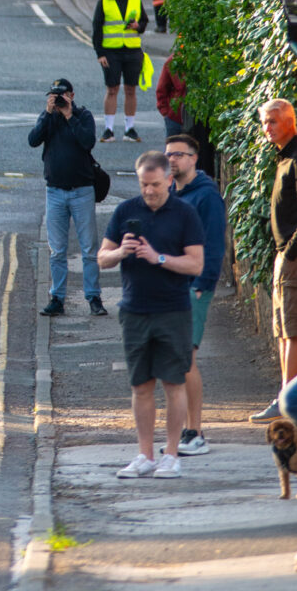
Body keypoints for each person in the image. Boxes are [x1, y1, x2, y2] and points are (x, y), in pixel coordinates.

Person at [99, 149, 205, 480]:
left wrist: (158, 258)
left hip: (173, 311)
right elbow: (101, 258)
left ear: (169, 181)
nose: (148, 191)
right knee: (141, 387)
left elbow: (196, 264)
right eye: (144, 184)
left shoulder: (185, 214)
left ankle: (171, 455)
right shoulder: (125, 211)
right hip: (134, 311)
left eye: (155, 184)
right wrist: (121, 251)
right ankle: (144, 455)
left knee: (173, 384)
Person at [164, 133, 227, 455]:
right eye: (168, 155)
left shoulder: (207, 196)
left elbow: (214, 244)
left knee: (186, 359)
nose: (172, 160)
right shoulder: (171, 193)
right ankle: (184, 431)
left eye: (179, 154)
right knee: (176, 360)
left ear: (194, 159)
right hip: (171, 287)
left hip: (193, 287)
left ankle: (196, 432)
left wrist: (203, 284)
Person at [30, 77, 105, 318]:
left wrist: (69, 115)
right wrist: (47, 113)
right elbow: (33, 140)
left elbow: (88, 142)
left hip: (82, 191)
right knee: (57, 251)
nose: (58, 100)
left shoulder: (83, 116)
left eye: (62, 96)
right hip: (55, 192)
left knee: (89, 249)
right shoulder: (49, 118)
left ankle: (93, 297)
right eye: (54, 96)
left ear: (71, 96)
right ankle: (57, 298)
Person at [252, 99, 297, 423]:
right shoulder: (285, 157)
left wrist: (291, 251)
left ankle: (288, 403)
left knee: (292, 330)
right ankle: (284, 399)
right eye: (264, 122)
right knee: (282, 329)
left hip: (293, 257)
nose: (267, 128)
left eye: (273, 121)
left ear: (290, 122)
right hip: (285, 255)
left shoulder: (296, 158)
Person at [93, 0, 148, 142]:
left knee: (131, 89)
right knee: (112, 89)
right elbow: (96, 28)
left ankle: (129, 129)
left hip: (132, 51)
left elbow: (144, 22)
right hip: (111, 52)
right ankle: (108, 129)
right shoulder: (104, 1)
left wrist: (137, 26)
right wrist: (100, 53)